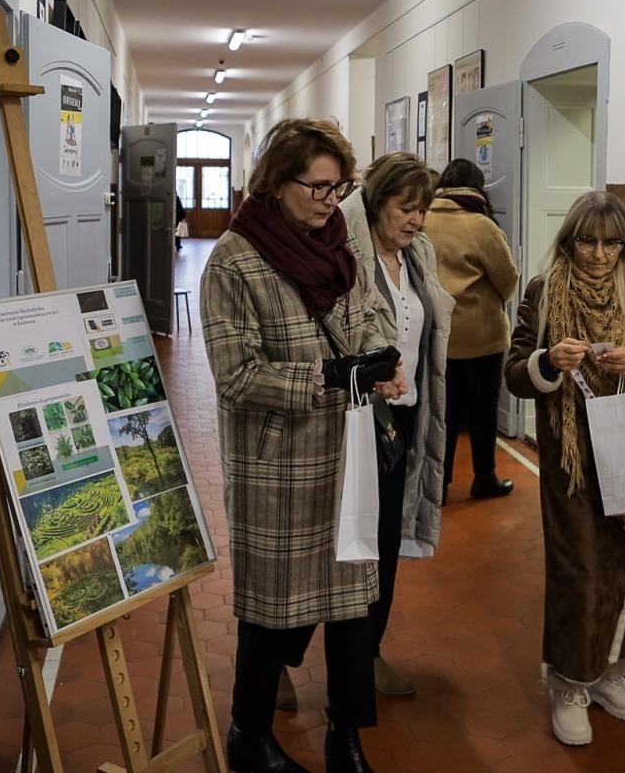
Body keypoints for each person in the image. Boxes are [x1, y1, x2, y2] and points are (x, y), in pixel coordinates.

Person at [201, 117, 406, 773]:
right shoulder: (234, 258)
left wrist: (378, 358)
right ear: (276, 182)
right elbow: (236, 375)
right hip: (277, 462)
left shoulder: (342, 240)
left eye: (338, 186)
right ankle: (248, 735)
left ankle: (346, 738)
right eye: (317, 187)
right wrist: (329, 376)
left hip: (347, 452)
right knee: (272, 607)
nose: (329, 200)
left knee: (352, 605)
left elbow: (371, 308)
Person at [505, 191, 625, 747]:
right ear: (569, 239)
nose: (600, 254)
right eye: (587, 241)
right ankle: (569, 683)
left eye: (612, 243)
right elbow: (514, 371)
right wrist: (547, 361)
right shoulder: (545, 290)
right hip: (572, 459)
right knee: (580, 566)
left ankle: (611, 674)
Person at [339, 152, 452, 696]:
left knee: (383, 542)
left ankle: (369, 651)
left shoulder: (419, 254)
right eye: (405, 208)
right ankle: (286, 653)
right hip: (355, 419)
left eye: (422, 210)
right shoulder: (344, 253)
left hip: (404, 420)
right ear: (376, 202)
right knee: (340, 543)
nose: (415, 220)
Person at [424, 158, 519, 499]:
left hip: (436, 334)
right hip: (481, 337)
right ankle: (484, 478)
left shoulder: (422, 219)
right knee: (483, 411)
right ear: (477, 185)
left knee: (442, 414)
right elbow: (507, 280)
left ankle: (440, 484)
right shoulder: (481, 225)